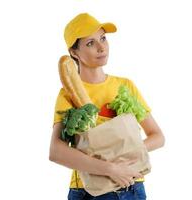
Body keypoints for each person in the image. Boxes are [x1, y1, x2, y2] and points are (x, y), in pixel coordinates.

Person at [49, 13, 165, 200]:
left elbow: (157, 137)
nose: (101, 47)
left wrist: (124, 160)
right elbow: (56, 151)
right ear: (74, 52)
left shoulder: (124, 86)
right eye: (90, 43)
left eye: (103, 39)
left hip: (131, 185)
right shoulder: (68, 94)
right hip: (88, 190)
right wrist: (111, 168)